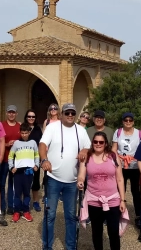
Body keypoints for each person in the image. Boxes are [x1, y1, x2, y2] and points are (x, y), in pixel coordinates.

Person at [39, 103, 91, 250]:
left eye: (72, 113)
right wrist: (44, 159)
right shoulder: (52, 127)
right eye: (67, 113)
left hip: (72, 181)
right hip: (53, 178)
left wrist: (85, 151)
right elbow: (42, 144)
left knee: (70, 216)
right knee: (50, 214)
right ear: (61, 114)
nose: (70, 115)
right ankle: (47, 245)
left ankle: (70, 246)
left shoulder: (80, 130)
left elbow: (88, 146)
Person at [77, 131, 127, 250]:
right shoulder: (87, 157)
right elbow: (81, 175)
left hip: (113, 200)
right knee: (96, 232)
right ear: (92, 143)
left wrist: (123, 200)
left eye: (101, 142)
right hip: (94, 200)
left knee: (113, 232)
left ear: (105, 144)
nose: (98, 144)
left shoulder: (113, 157)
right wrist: (80, 182)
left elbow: (120, 179)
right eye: (95, 141)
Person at [111, 112, 141, 227]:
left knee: (136, 192)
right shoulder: (118, 132)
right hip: (121, 166)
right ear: (123, 121)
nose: (128, 122)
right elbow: (114, 149)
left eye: (130, 120)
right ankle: (119, 213)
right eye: (126, 120)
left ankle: (138, 216)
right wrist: (118, 160)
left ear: (133, 121)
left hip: (135, 166)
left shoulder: (139, 133)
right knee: (120, 190)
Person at [8, 124, 40, 222]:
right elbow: (10, 156)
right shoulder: (16, 143)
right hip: (18, 172)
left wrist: (37, 165)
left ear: (29, 133)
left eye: (26, 133)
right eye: (22, 133)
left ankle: (26, 211)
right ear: (20, 133)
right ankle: (17, 211)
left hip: (29, 171)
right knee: (17, 193)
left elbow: (37, 155)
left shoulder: (33, 143)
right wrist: (11, 167)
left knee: (26, 192)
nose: (24, 135)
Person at [1, 105, 22, 215]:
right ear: (6, 113)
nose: (11, 114)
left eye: (13, 112)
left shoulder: (20, 126)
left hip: (16, 160)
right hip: (4, 158)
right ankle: (1, 206)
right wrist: (6, 144)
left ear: (16, 114)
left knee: (12, 184)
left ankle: (11, 206)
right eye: (9, 112)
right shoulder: (2, 125)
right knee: (1, 183)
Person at [23, 109, 44, 212]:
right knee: (25, 181)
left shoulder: (37, 129)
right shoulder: (23, 128)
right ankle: (25, 202)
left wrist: (41, 158)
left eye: (33, 117)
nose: (31, 118)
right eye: (29, 116)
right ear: (26, 117)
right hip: (24, 159)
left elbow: (41, 143)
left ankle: (35, 201)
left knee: (35, 181)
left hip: (35, 160)